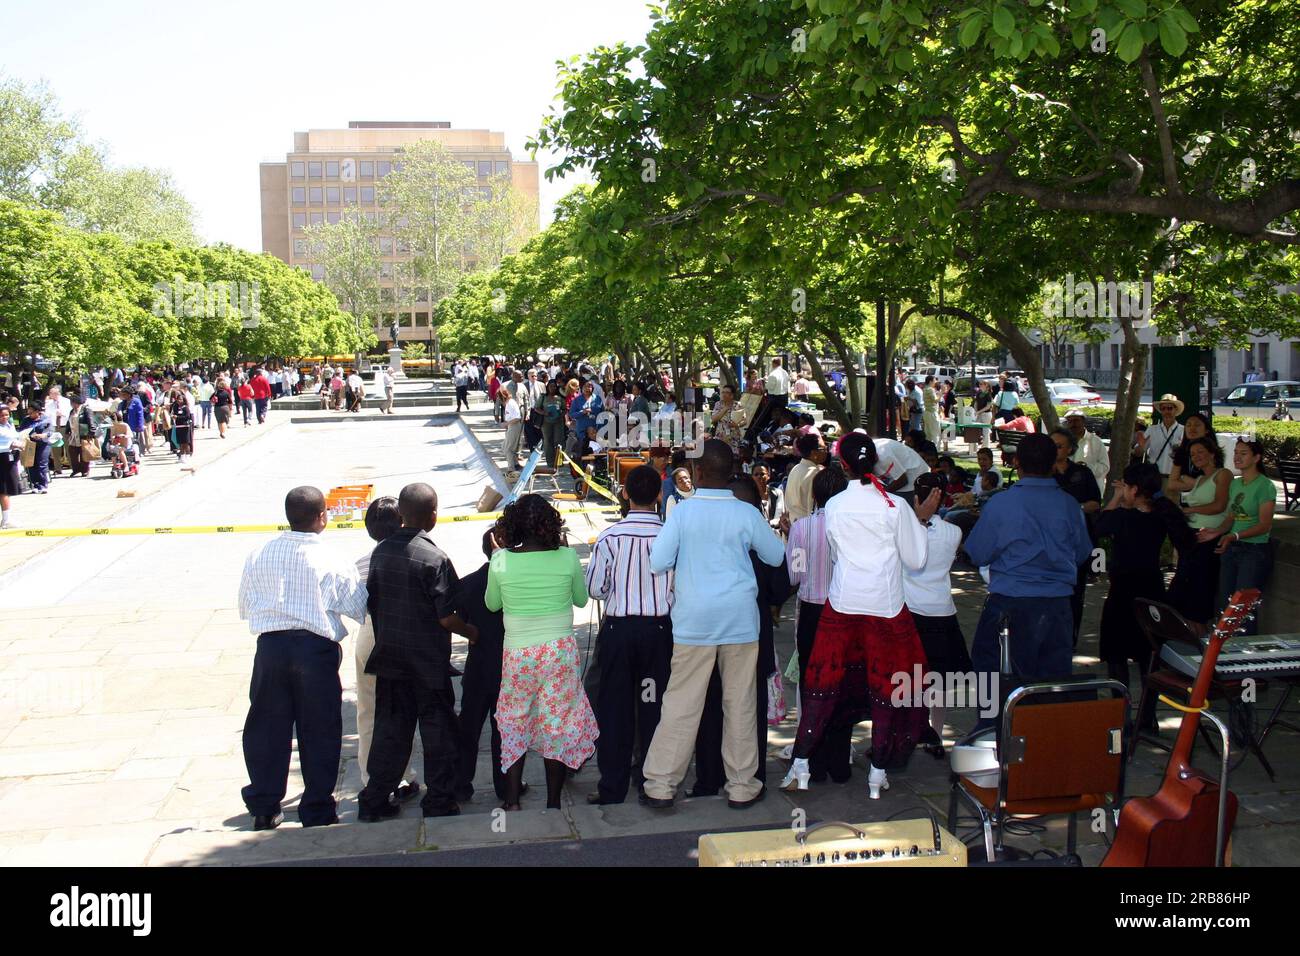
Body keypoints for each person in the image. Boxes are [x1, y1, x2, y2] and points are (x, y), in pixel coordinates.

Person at [780, 433, 937, 798]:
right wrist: (921, 521)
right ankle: (878, 769)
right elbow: (916, 560)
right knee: (890, 689)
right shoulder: (894, 506)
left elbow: (836, 554)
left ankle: (803, 762)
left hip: (843, 603)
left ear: (843, 465)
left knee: (822, 685)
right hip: (885, 607)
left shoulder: (835, 506)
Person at [641, 440, 785, 809]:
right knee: (739, 704)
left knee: (681, 703)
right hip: (739, 619)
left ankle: (660, 784)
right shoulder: (746, 514)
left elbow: (657, 561)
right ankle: (741, 785)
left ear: (699, 472)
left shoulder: (683, 513)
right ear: (731, 471)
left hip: (694, 621)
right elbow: (775, 554)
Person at [237, 486, 369, 829]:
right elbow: (357, 608)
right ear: (322, 516)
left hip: (271, 648)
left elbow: (246, 605)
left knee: (266, 728)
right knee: (320, 728)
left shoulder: (258, 553)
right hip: (314, 649)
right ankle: (317, 807)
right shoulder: (332, 557)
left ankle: (265, 806)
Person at [358, 483, 477, 821]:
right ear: (433, 515)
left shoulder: (380, 552)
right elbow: (447, 616)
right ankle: (438, 800)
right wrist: (472, 632)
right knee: (438, 735)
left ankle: (375, 800)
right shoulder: (435, 558)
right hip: (427, 664)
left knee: (390, 734)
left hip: (391, 660)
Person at [965, 434, 1093, 728]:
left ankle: (993, 745)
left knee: (994, 682)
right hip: (1058, 607)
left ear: (1016, 462)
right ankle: (1044, 754)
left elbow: (977, 552)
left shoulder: (1001, 504)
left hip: (1009, 606)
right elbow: (1083, 552)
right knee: (1050, 685)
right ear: (1054, 463)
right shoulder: (1070, 505)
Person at [486, 494, 599, 810]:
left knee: (512, 719)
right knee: (557, 722)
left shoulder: (501, 560)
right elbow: (580, 599)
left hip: (518, 652)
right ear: (551, 525)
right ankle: (552, 802)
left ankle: (511, 801)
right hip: (559, 651)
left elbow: (492, 604)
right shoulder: (566, 558)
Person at [691, 475, 792, 796]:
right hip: (752, 636)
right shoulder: (763, 543)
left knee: (710, 711)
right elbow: (780, 587)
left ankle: (709, 778)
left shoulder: (702, 536)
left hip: (707, 635)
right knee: (749, 712)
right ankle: (751, 777)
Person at [584, 466, 674, 804]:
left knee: (616, 707)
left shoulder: (610, 538)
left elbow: (595, 588)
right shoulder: (669, 536)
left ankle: (612, 784)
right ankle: (650, 779)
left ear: (625, 494)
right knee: (652, 704)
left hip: (620, 633)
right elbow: (678, 589)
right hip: (657, 633)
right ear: (659, 495)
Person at [1095, 463, 1196, 730]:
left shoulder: (1124, 517)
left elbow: (1100, 526)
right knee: (1148, 657)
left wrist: (1116, 499)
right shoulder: (1161, 515)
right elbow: (1188, 546)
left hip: (1123, 592)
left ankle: (1122, 713)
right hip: (1151, 591)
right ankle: (1147, 716)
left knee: (1117, 656)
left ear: (1134, 489)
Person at [351, 497, 420, 806]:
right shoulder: (415, 554)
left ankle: (371, 778)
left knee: (368, 711)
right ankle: (402, 774)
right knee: (403, 712)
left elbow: (355, 608)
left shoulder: (360, 563)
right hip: (405, 635)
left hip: (370, 634)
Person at [783, 465, 850, 781]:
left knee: (813, 685)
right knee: (843, 681)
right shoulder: (852, 527)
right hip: (844, 609)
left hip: (812, 610)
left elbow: (794, 575)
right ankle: (840, 761)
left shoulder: (802, 528)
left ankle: (812, 756)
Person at [903, 472, 973, 753]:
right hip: (942, 610)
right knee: (940, 681)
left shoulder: (906, 530)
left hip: (911, 609)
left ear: (916, 498)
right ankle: (937, 734)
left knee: (907, 679)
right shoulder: (954, 532)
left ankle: (907, 733)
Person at [454, 527, 522, 804]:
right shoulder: (518, 583)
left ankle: (460, 784)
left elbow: (454, 617)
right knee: (503, 731)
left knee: (468, 727)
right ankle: (506, 787)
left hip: (478, 664)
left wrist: (471, 633)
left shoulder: (468, 583)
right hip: (508, 665)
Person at [1201, 439, 1276, 636]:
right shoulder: (1235, 484)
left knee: (1243, 608)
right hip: (1232, 548)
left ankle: (1242, 653)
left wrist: (1234, 535)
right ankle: (1222, 651)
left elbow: (1264, 525)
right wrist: (1218, 531)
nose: (1237, 457)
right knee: (1225, 603)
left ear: (1256, 458)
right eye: (1236, 452)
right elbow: (1231, 517)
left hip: (1254, 551)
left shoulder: (1265, 486)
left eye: (1243, 453)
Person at [1167, 437, 1231, 625]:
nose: (1196, 457)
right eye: (1192, 454)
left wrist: (1189, 509)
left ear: (1212, 453)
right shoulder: (1199, 479)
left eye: (1200, 452)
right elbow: (1172, 482)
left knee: (1199, 590)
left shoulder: (1223, 474)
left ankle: (1200, 639)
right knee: (1181, 588)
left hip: (1208, 537)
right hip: (1191, 537)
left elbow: (1219, 505)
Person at [1166, 411, 1216, 493]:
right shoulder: (1181, 452)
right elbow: (1171, 484)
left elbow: (1214, 483)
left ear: (1207, 430)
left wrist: (1185, 479)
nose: (1192, 428)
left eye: (1197, 425)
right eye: (1188, 425)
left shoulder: (1213, 451)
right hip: (1186, 502)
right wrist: (1198, 484)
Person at [782, 432, 825, 525]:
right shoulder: (814, 474)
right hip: (805, 527)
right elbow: (813, 508)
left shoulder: (796, 468)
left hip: (792, 523)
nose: (826, 451)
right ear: (814, 453)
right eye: (823, 449)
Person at [872, 435, 929, 504]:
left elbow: (902, 480)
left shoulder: (884, 456)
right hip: (899, 474)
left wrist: (881, 494)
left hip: (913, 475)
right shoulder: (870, 449)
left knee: (899, 505)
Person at [1140, 393, 1185, 478]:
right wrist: (1141, 447)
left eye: (1169, 408)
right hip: (1154, 479)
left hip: (1175, 479)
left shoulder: (1183, 430)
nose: (1166, 411)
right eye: (1163, 408)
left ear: (1175, 410)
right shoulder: (1152, 430)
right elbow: (1139, 452)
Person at [1064, 408, 1108, 491]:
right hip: (1067, 488)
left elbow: (1105, 466)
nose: (1073, 424)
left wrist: (1086, 467)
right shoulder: (1063, 441)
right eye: (1070, 421)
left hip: (1090, 489)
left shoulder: (1096, 441)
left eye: (1076, 420)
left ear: (1083, 422)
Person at [20, 402, 52, 494]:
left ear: (38, 411)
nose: (29, 414)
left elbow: (50, 432)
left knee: (42, 463)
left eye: (31, 412)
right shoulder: (26, 420)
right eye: (28, 413)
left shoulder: (46, 419)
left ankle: (43, 484)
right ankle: (35, 484)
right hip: (31, 444)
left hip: (43, 444)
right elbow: (21, 431)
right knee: (31, 464)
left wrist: (42, 435)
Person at [0, 406, 21, 527]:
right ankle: (6, 520)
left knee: (8, 489)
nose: (4, 417)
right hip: (2, 459)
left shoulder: (9, 425)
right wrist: (9, 446)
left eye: (6, 415)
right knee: (4, 490)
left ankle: (6, 518)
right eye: (2, 415)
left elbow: (14, 436)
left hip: (10, 459)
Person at [710, 384, 747, 453]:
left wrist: (737, 425)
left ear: (732, 395)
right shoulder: (718, 404)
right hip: (721, 436)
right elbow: (714, 419)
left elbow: (744, 421)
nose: (724, 394)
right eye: (723, 392)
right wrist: (725, 409)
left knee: (734, 457)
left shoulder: (738, 405)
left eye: (727, 392)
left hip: (734, 437)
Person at [540, 380, 567, 468]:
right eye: (551, 386)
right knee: (548, 441)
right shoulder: (543, 397)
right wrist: (544, 413)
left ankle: (559, 460)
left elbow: (565, 409)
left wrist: (560, 414)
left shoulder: (560, 398)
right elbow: (536, 408)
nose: (553, 388)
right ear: (548, 387)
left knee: (559, 441)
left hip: (558, 422)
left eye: (554, 386)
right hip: (546, 422)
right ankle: (550, 461)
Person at [501, 385, 523, 472]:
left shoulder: (510, 403)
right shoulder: (509, 403)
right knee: (506, 446)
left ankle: (511, 469)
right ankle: (516, 464)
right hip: (511, 426)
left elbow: (517, 417)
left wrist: (506, 423)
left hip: (514, 426)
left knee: (508, 448)